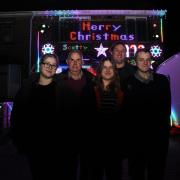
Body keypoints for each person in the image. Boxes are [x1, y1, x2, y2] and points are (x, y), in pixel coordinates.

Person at [9, 53, 68, 180]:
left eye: (53, 65)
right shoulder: (27, 88)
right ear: (41, 65)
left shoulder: (62, 89)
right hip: (34, 147)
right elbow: (17, 117)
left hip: (57, 148)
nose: (49, 67)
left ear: (56, 68)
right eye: (47, 64)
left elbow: (71, 118)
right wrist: (19, 141)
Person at [124, 49, 171, 180]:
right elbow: (125, 114)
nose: (145, 63)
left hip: (157, 141)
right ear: (135, 61)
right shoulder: (127, 83)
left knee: (157, 173)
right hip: (135, 141)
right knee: (136, 174)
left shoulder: (162, 81)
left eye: (147, 59)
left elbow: (166, 110)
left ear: (150, 61)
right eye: (141, 59)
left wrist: (164, 136)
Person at [80, 58, 125, 180]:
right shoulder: (89, 89)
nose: (108, 70)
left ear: (115, 71)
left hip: (115, 145)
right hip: (95, 145)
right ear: (99, 70)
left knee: (114, 175)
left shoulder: (122, 91)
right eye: (105, 67)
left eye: (111, 67)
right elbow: (83, 119)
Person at [56, 49, 95, 180]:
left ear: (82, 62)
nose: (75, 63)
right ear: (67, 62)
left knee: (87, 169)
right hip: (66, 134)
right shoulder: (58, 81)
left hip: (87, 134)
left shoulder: (92, 80)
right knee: (67, 169)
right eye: (72, 60)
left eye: (78, 60)